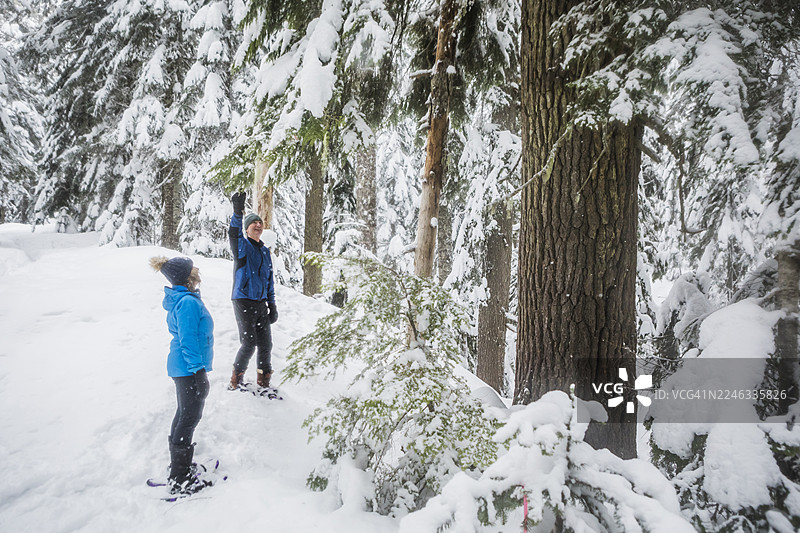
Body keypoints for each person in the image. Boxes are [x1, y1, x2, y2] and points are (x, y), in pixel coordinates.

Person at [150, 255, 214, 496]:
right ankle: (179, 477)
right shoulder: (187, 303)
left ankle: (180, 468)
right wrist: (198, 372)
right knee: (189, 416)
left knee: (184, 414)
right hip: (188, 368)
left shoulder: (185, 299)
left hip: (184, 366)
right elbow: (188, 340)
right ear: (187, 277)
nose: (196, 270)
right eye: (192, 269)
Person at [228, 192, 278, 391]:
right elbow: (234, 233)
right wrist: (237, 212)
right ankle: (235, 381)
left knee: (266, 344)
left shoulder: (265, 251)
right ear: (247, 228)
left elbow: (269, 280)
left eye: (260, 222)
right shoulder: (242, 247)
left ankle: (264, 382)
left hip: (260, 303)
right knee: (248, 343)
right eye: (253, 223)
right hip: (243, 300)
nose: (258, 225)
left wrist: (272, 304)